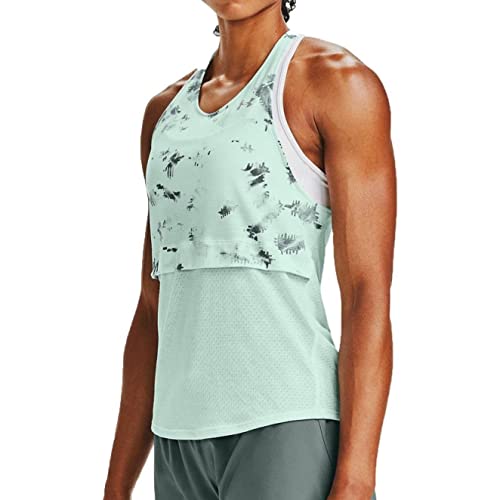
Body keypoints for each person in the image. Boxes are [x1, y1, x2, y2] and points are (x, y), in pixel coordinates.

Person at [104, 1, 395, 499]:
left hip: (285, 422)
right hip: (176, 439)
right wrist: (116, 485)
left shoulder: (337, 84)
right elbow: (153, 307)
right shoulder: (165, 114)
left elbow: (366, 294)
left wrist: (357, 477)